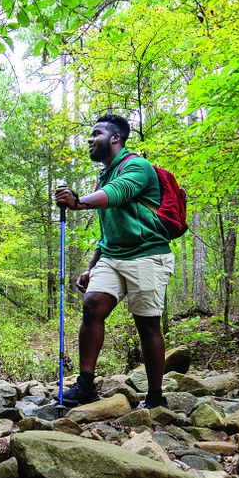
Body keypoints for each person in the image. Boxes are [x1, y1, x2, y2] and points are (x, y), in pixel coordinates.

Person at [55, 114, 174, 408]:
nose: (90, 140)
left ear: (115, 138)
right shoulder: (103, 176)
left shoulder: (137, 166)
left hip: (148, 254)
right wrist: (92, 266)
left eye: (96, 134)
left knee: (147, 325)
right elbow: (109, 230)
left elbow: (118, 194)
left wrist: (79, 201)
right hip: (113, 256)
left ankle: (156, 398)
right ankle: (85, 385)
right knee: (93, 305)